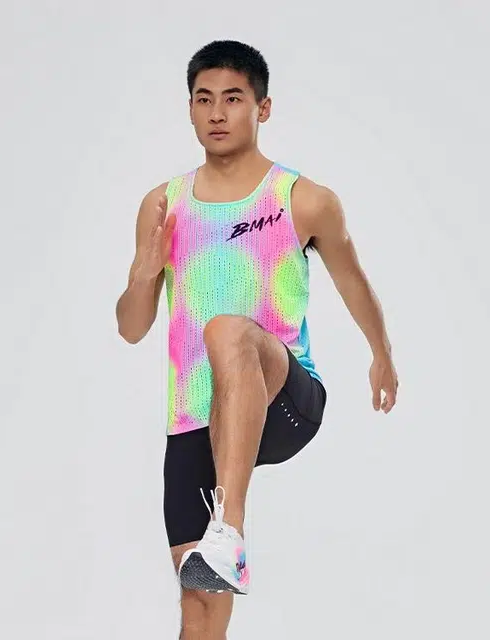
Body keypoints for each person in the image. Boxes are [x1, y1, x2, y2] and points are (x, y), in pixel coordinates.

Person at [116, 39, 398, 640]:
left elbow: (354, 281)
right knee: (199, 608)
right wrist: (144, 274)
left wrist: (383, 355)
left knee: (228, 330)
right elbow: (132, 328)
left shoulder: (303, 200)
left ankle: (230, 532)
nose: (217, 113)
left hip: (284, 398)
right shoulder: (162, 205)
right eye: (204, 99)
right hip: (196, 419)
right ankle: (222, 552)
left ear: (262, 108)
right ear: (189, 109)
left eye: (233, 99)